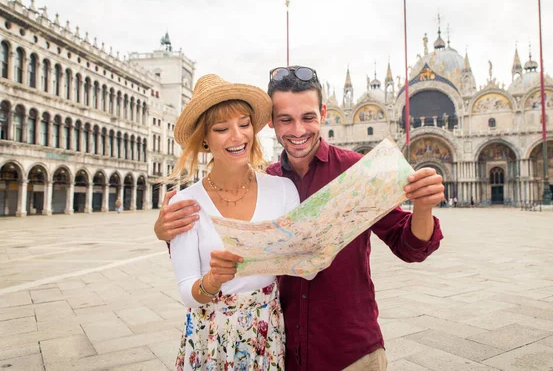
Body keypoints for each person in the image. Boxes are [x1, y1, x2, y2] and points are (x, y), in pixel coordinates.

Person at [156, 66, 446, 371]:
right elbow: (206, 256)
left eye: (308, 117)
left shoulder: (358, 173)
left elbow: (409, 246)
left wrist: (423, 207)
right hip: (283, 352)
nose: (298, 130)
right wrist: (167, 232)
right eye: (285, 120)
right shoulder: (270, 180)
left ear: (323, 112)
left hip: (351, 353)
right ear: (270, 122)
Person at [166, 74, 307, 370]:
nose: (237, 136)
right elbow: (187, 291)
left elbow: (301, 261)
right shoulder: (185, 204)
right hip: (211, 335)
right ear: (204, 138)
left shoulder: (283, 190)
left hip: (266, 331)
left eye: (244, 125)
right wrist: (212, 281)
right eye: (221, 128)